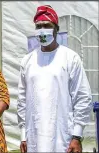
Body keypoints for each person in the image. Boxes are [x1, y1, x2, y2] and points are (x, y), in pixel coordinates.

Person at [17, 5, 92, 153]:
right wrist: (23, 135)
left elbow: (83, 97)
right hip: (34, 137)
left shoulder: (70, 58)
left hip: (63, 136)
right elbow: (22, 100)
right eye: (38, 27)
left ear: (56, 29)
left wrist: (77, 136)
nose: (42, 30)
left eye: (47, 26)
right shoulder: (27, 61)